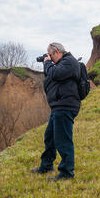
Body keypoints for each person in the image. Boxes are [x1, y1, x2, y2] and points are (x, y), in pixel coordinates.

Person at [32, 43, 81, 181]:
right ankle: (46, 165)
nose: (50, 58)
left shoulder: (69, 62)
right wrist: (48, 63)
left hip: (65, 106)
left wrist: (47, 63)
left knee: (63, 140)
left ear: (57, 51)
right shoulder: (62, 63)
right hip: (58, 106)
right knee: (50, 138)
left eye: (51, 55)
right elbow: (52, 75)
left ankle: (66, 173)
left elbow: (55, 74)